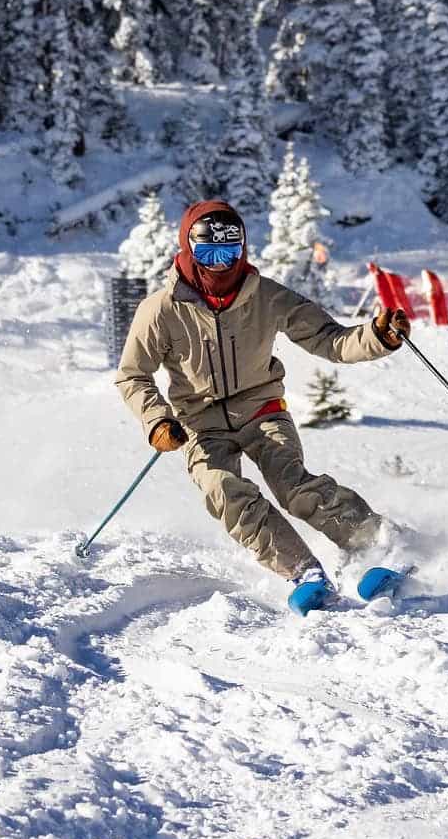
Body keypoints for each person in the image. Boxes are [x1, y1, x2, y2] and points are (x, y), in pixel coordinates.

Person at [115, 197, 411, 613]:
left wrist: (377, 337)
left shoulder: (266, 296)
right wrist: (157, 420)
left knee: (292, 485)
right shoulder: (161, 310)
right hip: (200, 424)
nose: (219, 263)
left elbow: (328, 338)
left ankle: (376, 540)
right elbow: (132, 374)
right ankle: (303, 570)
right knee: (223, 490)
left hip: (261, 409)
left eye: (229, 250)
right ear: (188, 248)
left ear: (243, 248)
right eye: (207, 251)